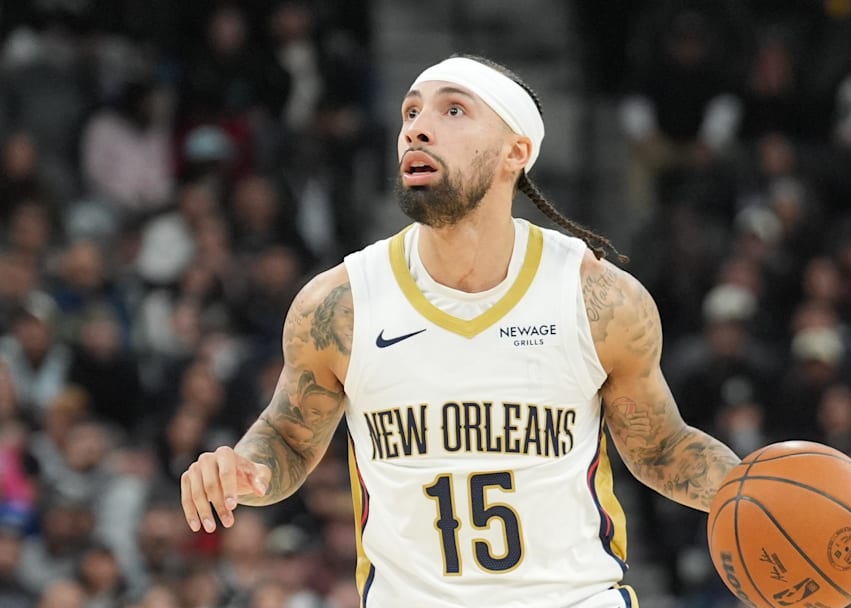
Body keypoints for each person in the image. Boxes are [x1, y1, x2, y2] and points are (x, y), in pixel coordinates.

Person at [179, 54, 741, 607]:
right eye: (410, 113)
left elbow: (662, 447)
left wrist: (749, 488)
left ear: (514, 152)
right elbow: (287, 437)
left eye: (452, 111)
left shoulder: (598, 299)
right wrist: (245, 469)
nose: (417, 128)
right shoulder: (341, 304)